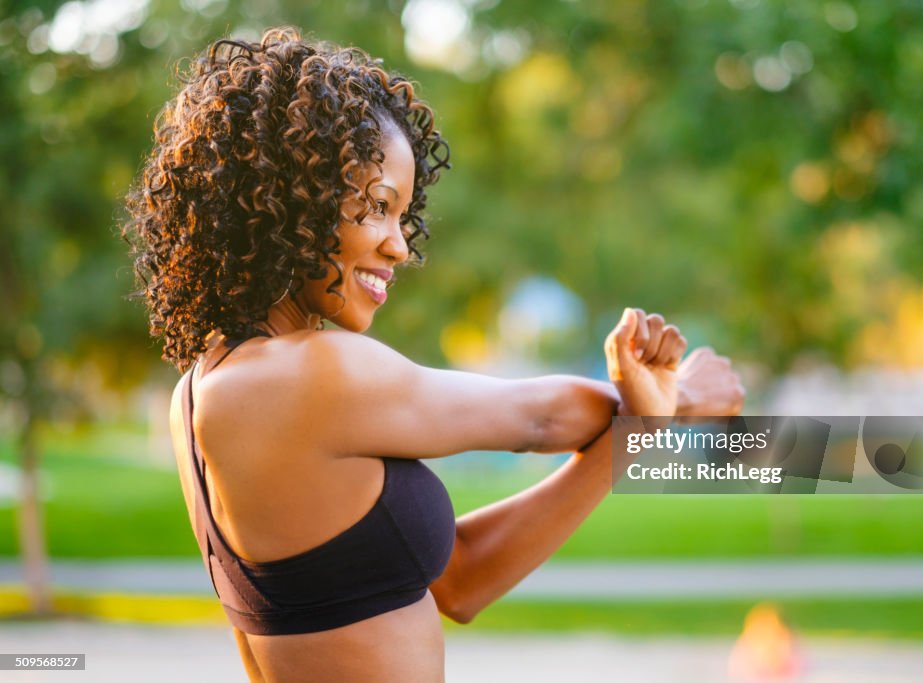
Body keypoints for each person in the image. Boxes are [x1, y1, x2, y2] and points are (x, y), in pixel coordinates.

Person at [123, 27, 744, 682]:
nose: (399, 246)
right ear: (290, 199)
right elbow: (541, 421)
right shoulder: (313, 372)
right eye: (378, 208)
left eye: (403, 216)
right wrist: (683, 396)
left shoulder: (202, 387)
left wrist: (636, 433)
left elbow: (461, 580)